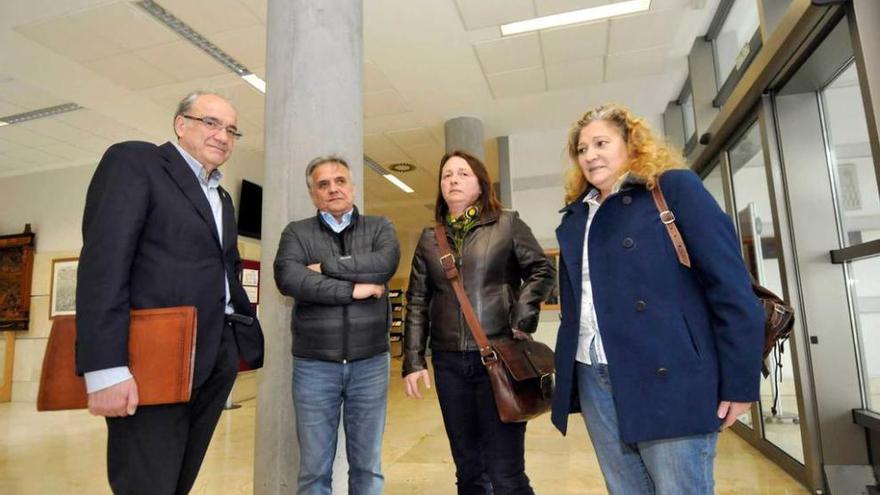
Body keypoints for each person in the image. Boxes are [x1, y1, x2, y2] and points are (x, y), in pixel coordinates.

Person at [551, 103, 764, 494]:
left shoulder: (673, 188)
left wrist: (740, 381)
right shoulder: (577, 217)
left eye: (601, 143)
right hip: (595, 372)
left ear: (631, 143)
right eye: (582, 149)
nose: (590, 155)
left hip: (669, 373)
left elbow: (731, 288)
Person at [76, 91, 263, 494]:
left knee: (178, 483)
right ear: (181, 125)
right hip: (150, 363)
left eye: (231, 129)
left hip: (213, 361)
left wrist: (240, 334)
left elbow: (224, 269)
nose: (223, 136)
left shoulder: (222, 197)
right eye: (211, 122)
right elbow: (104, 264)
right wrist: (105, 369)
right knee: (148, 485)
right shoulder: (135, 162)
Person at [403, 150, 555, 495]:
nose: (453, 180)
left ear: (480, 183)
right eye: (446, 175)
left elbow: (542, 269)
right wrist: (413, 359)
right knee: (468, 470)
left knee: (506, 473)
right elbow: (416, 300)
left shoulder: (507, 223)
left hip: (500, 359)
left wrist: (523, 315)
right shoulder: (430, 239)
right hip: (448, 363)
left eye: (462, 174)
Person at [273, 155, 400, 495]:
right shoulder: (296, 233)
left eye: (340, 180)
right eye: (323, 184)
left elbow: (383, 265)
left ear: (353, 186)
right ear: (313, 195)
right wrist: (352, 290)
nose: (333, 189)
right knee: (314, 471)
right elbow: (290, 279)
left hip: (371, 363)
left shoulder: (380, 227)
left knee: (368, 468)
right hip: (314, 365)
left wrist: (324, 266)